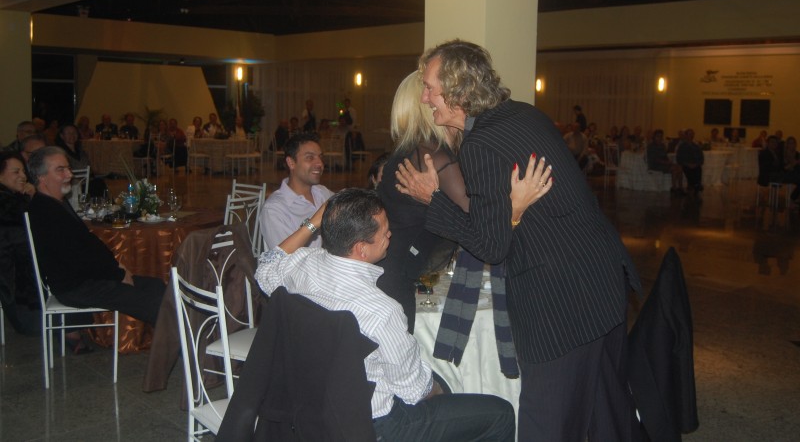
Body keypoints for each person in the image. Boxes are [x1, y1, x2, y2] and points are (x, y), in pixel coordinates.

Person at [395, 40, 642, 442]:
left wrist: (433, 199)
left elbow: (491, 247)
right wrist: (512, 212)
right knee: (607, 412)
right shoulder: (524, 113)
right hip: (602, 278)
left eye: (430, 88)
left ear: (457, 91)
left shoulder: (480, 144)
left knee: (547, 422)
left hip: (562, 301)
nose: (425, 98)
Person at [255, 188, 516, 442]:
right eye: (384, 232)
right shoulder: (380, 310)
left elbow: (265, 268)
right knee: (499, 413)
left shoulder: (301, 264)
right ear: (361, 249)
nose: (390, 234)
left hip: (310, 407)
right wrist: (440, 393)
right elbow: (414, 391)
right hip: (374, 425)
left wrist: (313, 223)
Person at [378, 72, 552, 331]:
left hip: (387, 267)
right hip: (396, 275)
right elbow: (480, 222)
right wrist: (516, 204)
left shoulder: (409, 152)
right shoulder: (433, 156)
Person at [26, 147, 166, 326]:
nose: (69, 174)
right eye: (60, 170)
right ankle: (176, 341)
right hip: (75, 287)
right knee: (153, 302)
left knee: (156, 286)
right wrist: (117, 275)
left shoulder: (57, 203)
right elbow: (77, 258)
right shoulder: (45, 211)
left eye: (68, 168)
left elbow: (88, 244)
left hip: (89, 278)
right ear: (41, 177)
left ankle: (167, 339)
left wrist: (117, 268)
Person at [259, 132, 333, 251]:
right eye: (310, 157)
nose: (319, 164)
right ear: (291, 163)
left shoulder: (322, 192)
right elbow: (282, 257)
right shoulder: (274, 208)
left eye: (320, 157)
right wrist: (312, 224)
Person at [0, 152, 38, 335]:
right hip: (13, 273)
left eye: (23, 171)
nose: (23, 176)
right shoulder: (6, 202)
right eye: (16, 172)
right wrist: (33, 197)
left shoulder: (13, 198)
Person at [647, 129, 684, 194]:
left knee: (679, 167)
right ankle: (674, 188)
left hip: (664, 163)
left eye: (661, 136)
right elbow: (654, 159)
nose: (659, 138)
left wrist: (669, 161)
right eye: (658, 136)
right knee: (674, 169)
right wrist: (666, 163)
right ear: (654, 137)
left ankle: (680, 188)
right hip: (655, 165)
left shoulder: (662, 145)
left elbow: (665, 156)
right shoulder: (651, 146)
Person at [675, 128, 704, 199]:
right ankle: (694, 185)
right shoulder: (682, 146)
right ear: (686, 135)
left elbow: (701, 158)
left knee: (698, 169)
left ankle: (696, 185)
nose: (691, 136)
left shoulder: (696, 146)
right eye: (689, 134)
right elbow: (679, 158)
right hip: (686, 164)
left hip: (695, 164)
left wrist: (696, 164)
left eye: (692, 134)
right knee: (690, 171)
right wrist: (687, 164)